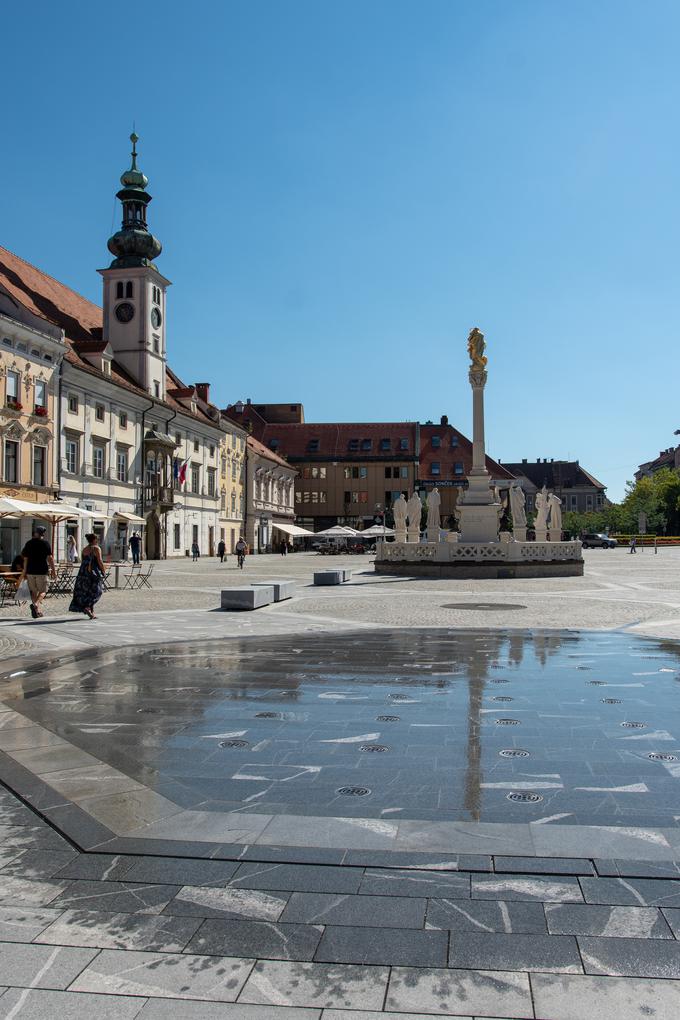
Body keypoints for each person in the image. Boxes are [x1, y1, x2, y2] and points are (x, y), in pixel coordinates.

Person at [20, 526, 56, 619]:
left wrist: (24, 571)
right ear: (43, 534)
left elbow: (25, 558)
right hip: (42, 571)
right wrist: (54, 571)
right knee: (43, 591)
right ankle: (36, 605)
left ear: (35, 533)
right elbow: (50, 559)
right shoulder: (45, 543)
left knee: (33, 591)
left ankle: (37, 611)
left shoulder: (29, 543)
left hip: (30, 571)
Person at [69, 533, 105, 619]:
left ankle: (91, 613)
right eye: (97, 539)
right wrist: (103, 570)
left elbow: (83, 561)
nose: (98, 541)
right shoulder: (96, 548)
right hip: (93, 572)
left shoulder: (84, 549)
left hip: (83, 572)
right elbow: (100, 561)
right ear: (94, 540)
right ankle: (88, 607)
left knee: (87, 591)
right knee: (97, 591)